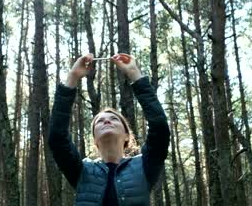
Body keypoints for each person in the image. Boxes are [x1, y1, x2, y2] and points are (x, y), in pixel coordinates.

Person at [49, 53, 170, 206]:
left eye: (114, 119)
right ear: (95, 140)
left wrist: (134, 74)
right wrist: (73, 76)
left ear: (127, 135)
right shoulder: (82, 171)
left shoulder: (144, 166)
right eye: (99, 121)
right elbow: (57, 138)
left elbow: (160, 128)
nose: (106, 120)